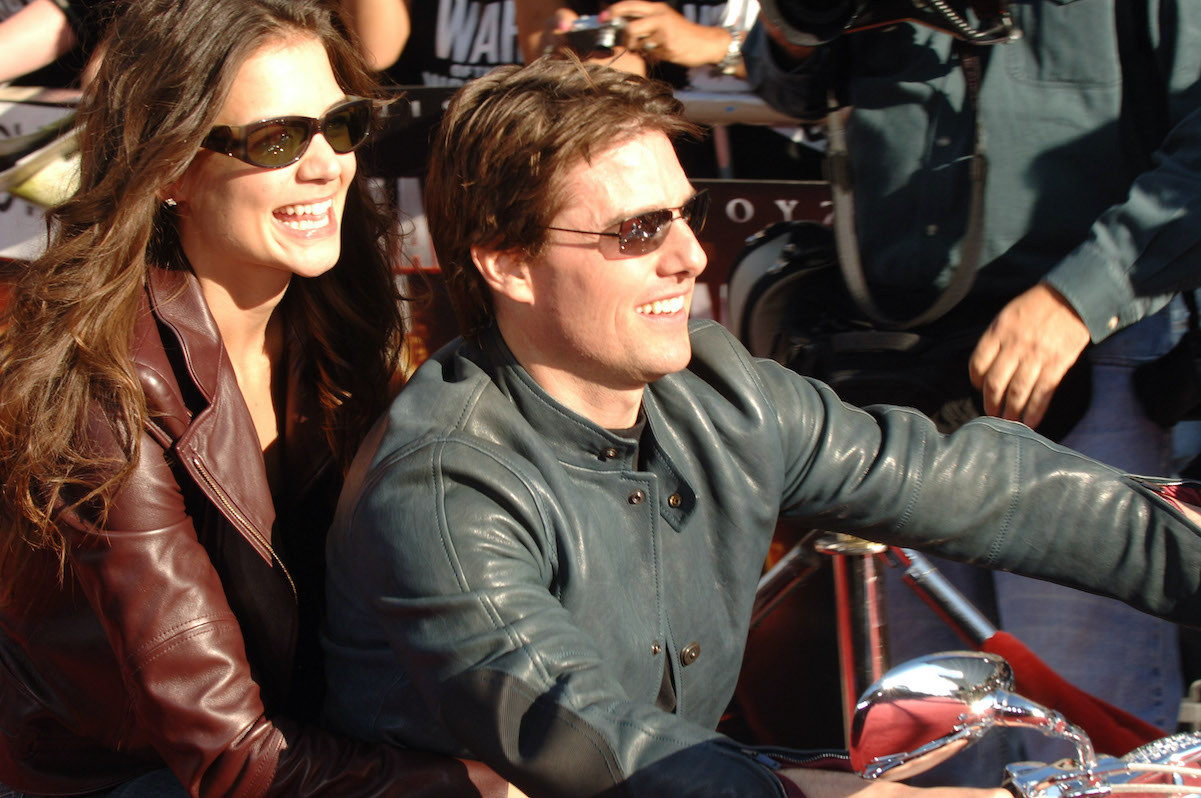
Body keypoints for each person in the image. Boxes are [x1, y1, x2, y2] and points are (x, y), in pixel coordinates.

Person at [321, 55, 1201, 798]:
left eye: (682, 213)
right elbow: (572, 723)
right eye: (636, 231)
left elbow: (970, 483)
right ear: (507, 262)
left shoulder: (718, 388)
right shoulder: (445, 480)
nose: (690, 256)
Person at [0, 0, 512, 796]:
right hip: (128, 775)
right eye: (275, 140)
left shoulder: (341, 312)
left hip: (304, 734)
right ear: (171, 169)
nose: (324, 166)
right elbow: (226, 757)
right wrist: (478, 787)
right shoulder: (106, 385)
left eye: (337, 125)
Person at [740, 1, 1201, 775]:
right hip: (900, 370)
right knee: (925, 738)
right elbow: (785, 84)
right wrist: (796, 22)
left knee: (1080, 737)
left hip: (1087, 364)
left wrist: (1081, 296)